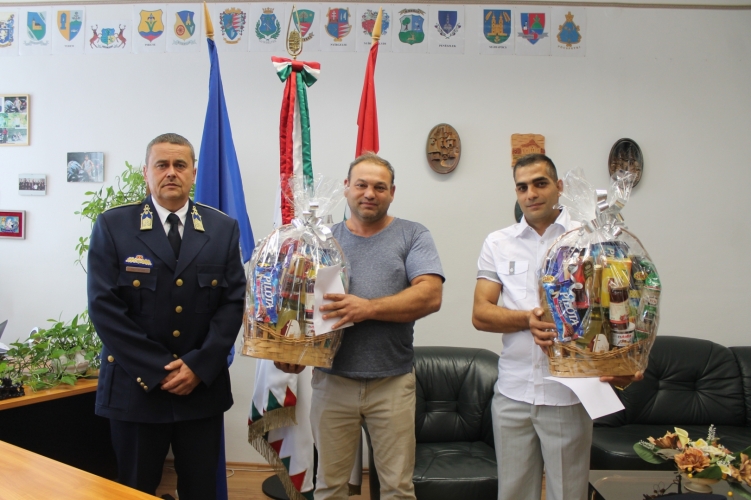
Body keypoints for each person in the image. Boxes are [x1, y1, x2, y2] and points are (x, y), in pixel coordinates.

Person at [471, 153, 642, 500]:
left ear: (559, 186)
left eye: (540, 183)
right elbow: (481, 313)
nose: (531, 193)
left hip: (569, 394)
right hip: (513, 392)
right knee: (513, 494)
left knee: (568, 494)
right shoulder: (498, 242)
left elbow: (618, 305)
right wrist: (527, 320)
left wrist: (628, 359)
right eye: (522, 187)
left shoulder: (590, 237)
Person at [87, 133, 246, 500]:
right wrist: (159, 370)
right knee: (134, 490)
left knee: (201, 490)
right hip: (136, 389)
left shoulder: (222, 229)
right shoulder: (114, 225)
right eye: (161, 165)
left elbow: (232, 302)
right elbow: (104, 307)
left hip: (200, 389)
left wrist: (198, 367)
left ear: (193, 173)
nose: (171, 172)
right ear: (146, 172)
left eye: (180, 165)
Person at [276, 153, 444, 500]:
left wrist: (367, 308)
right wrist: (294, 352)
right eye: (361, 185)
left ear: (392, 192)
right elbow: (299, 305)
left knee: (398, 489)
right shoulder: (322, 240)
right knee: (330, 487)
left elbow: (430, 295)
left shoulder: (413, 234)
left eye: (380, 187)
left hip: (392, 383)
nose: (370, 193)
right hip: (332, 382)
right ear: (346, 188)